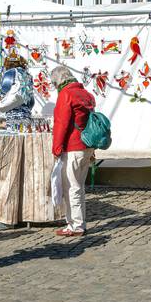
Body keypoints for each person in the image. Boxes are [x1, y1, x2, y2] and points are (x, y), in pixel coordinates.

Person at [51, 65, 95, 237]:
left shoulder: (66, 94)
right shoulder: (85, 94)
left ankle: (75, 225)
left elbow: (61, 124)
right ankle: (79, 222)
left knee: (72, 187)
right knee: (79, 187)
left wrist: (56, 148)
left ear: (58, 81)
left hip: (73, 146)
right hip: (87, 146)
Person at [0, 53, 36, 129]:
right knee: (24, 136)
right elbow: (31, 100)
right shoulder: (28, 75)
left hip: (13, 113)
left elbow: (5, 88)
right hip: (26, 113)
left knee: (14, 136)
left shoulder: (11, 72)